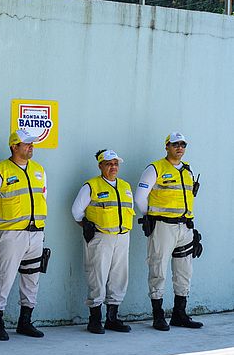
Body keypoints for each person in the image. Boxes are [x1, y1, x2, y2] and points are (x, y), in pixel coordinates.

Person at [0, 129, 47, 341]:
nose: (30, 147)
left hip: (35, 233)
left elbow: (44, 197)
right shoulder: (0, 171)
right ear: (14, 146)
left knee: (31, 278)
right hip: (11, 234)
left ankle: (25, 321)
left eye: (32, 144)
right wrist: (2, 222)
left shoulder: (39, 170)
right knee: (4, 276)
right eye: (26, 144)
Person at [135, 132, 203, 331]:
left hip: (185, 227)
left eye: (183, 144)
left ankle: (179, 314)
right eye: (175, 144)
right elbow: (140, 197)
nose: (179, 147)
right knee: (158, 269)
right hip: (163, 226)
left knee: (184, 271)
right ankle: (158, 316)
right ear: (167, 146)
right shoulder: (155, 168)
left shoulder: (187, 170)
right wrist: (151, 216)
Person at [71, 150, 134, 334]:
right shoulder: (91, 186)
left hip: (122, 237)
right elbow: (76, 210)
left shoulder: (125, 186)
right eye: (108, 163)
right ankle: (95, 319)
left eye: (115, 163)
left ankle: (112, 318)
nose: (113, 167)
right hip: (101, 237)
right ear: (100, 166)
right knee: (97, 275)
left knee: (119, 276)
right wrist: (86, 225)